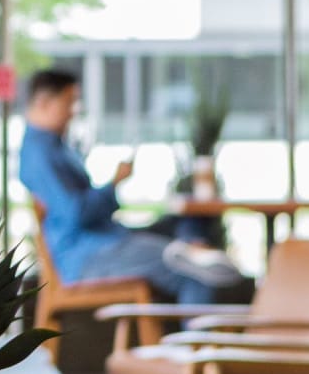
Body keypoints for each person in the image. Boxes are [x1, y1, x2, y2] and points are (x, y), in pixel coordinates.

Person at [18, 68, 241, 305]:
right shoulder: (39, 154)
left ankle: (190, 248)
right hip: (87, 254)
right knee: (192, 271)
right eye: (68, 103)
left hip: (107, 238)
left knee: (184, 224)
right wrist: (114, 182)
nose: (74, 112)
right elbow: (77, 213)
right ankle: (196, 331)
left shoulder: (57, 147)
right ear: (43, 102)